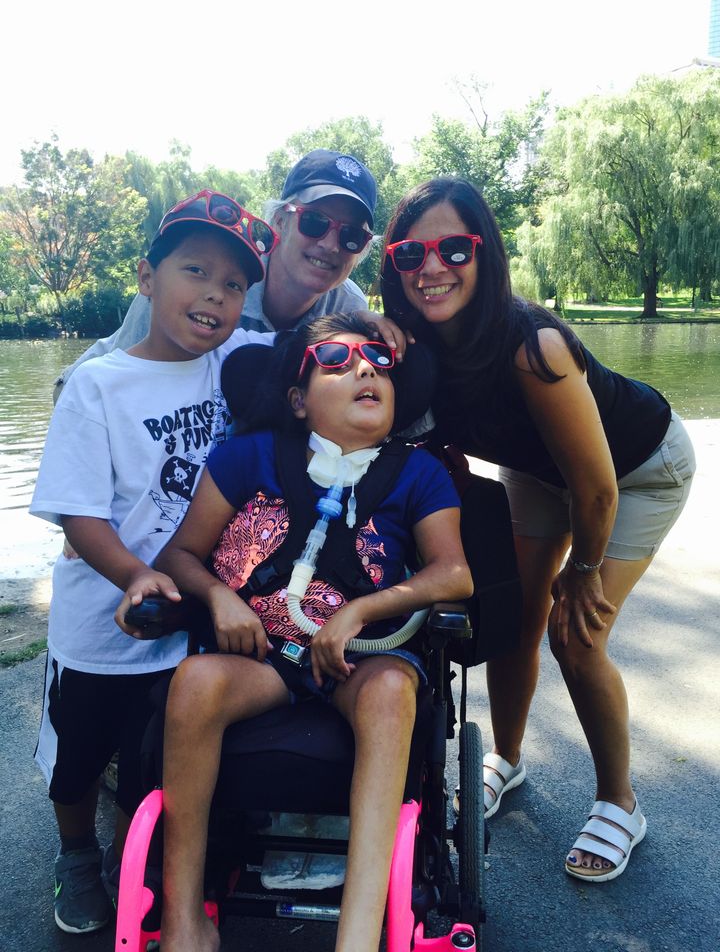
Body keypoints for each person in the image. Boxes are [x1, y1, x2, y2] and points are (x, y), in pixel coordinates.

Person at [380, 177, 696, 883]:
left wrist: (580, 574)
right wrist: (383, 338)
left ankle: (621, 802)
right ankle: (508, 760)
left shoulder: (534, 347)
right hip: (545, 471)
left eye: (453, 249)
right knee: (513, 618)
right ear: (394, 266)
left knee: (574, 636)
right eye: (411, 254)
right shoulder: (420, 345)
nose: (432, 268)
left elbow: (598, 488)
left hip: (636, 472)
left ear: (485, 253)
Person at [144, 310, 473, 952]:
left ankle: (357, 936)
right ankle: (186, 922)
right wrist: (218, 598)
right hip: (263, 657)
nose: (364, 369)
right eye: (337, 361)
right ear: (297, 399)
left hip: (360, 662)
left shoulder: (418, 472)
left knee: (391, 692)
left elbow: (454, 573)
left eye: (378, 362)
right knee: (195, 679)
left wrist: (360, 612)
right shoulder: (246, 457)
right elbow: (178, 555)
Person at [29, 189, 278, 934]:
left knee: (164, 758)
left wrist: (372, 333)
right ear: (146, 276)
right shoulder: (98, 384)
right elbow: (77, 508)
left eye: (234, 285)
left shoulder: (237, 360)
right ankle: (77, 853)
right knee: (79, 761)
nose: (215, 295)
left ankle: (142, 857)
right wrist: (133, 572)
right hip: (107, 625)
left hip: (190, 620)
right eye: (195, 270)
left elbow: (314, 355)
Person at [53, 149, 400, 399]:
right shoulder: (190, 288)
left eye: (352, 236)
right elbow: (80, 389)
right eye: (315, 222)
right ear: (278, 221)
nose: (330, 244)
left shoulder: (349, 309)